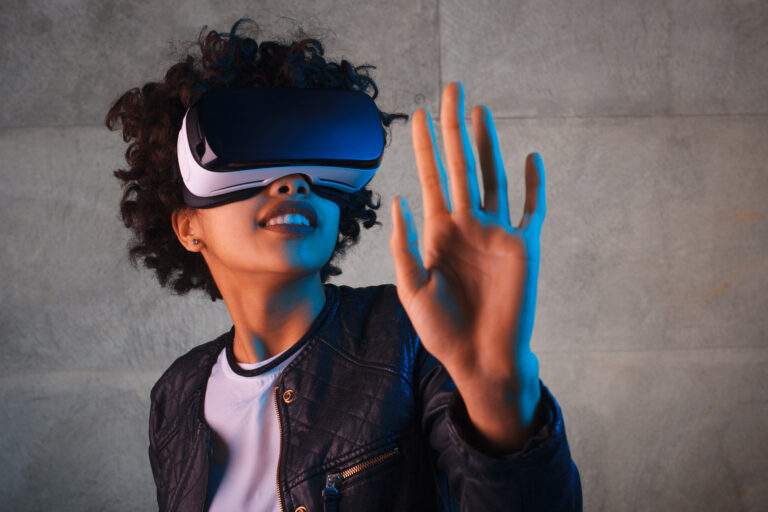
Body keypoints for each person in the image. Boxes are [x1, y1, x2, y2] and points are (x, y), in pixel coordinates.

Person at [106, 18, 582, 512]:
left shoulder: (413, 333)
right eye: (252, 152)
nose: (293, 182)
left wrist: (502, 400)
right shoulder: (175, 396)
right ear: (188, 227)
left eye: (314, 158)